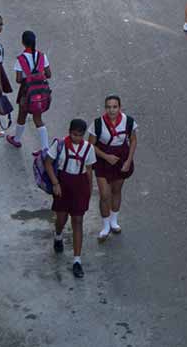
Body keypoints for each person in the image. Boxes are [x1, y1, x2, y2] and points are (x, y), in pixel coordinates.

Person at [44, 119, 96, 278]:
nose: (77, 138)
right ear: (69, 132)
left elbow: (88, 170)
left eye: (80, 135)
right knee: (61, 218)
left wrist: (89, 189)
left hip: (80, 185)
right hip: (63, 184)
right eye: (74, 134)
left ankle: (77, 260)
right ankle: (58, 235)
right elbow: (48, 163)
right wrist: (55, 183)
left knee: (78, 221)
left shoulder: (89, 148)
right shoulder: (59, 145)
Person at [87, 96, 138, 243]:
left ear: (120, 107)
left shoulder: (129, 122)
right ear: (105, 108)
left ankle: (114, 221)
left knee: (116, 190)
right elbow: (91, 145)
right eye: (108, 107)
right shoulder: (97, 124)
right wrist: (106, 156)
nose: (111, 110)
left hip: (121, 160)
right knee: (104, 195)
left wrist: (128, 161)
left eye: (115, 107)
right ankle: (105, 226)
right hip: (103, 161)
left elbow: (133, 140)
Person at [8, 30, 51, 150]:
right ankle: (45, 147)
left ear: (23, 42)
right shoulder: (42, 56)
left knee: (22, 115)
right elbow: (48, 74)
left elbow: (18, 79)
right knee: (38, 118)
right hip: (40, 92)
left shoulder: (21, 59)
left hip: (26, 92)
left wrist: (29, 79)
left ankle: (16, 139)